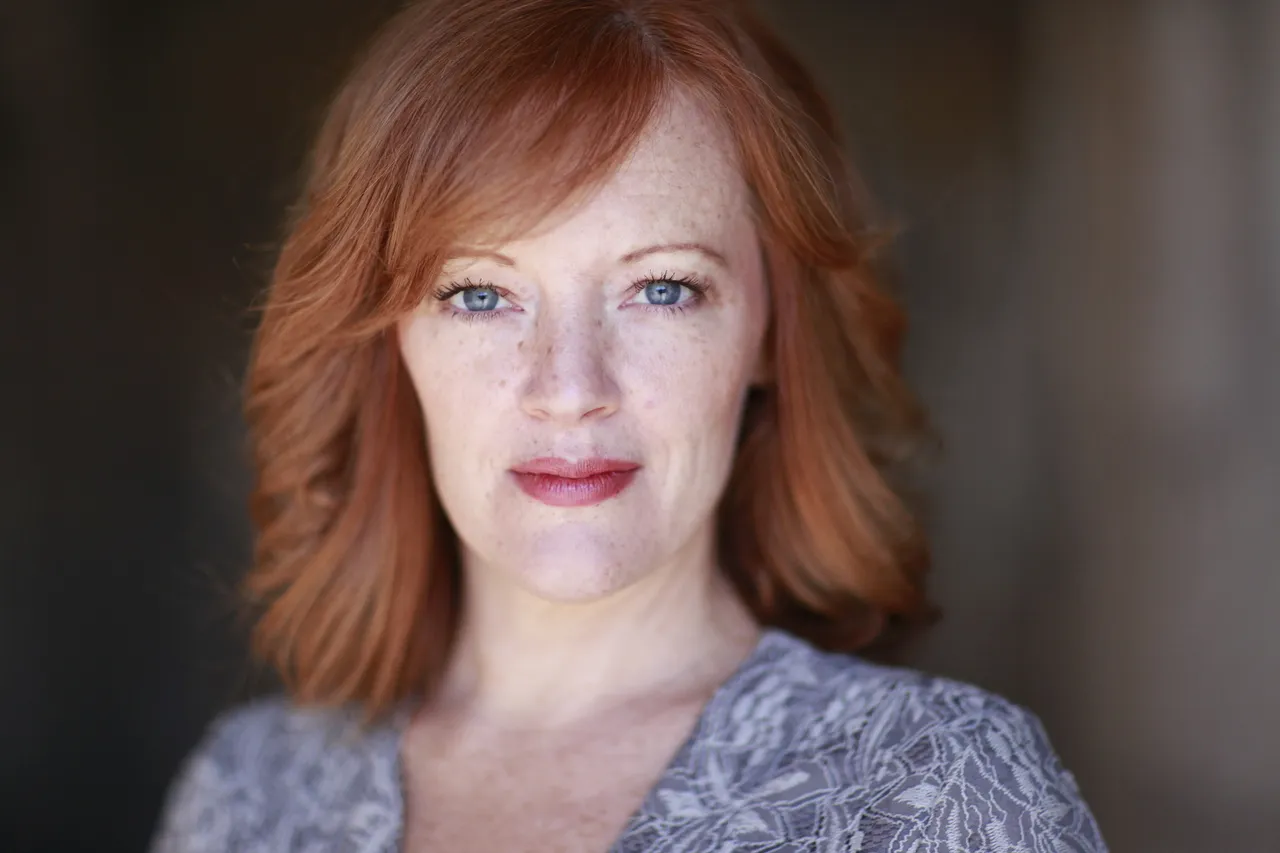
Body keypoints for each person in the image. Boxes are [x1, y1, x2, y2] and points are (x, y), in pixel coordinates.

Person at [150, 0, 1107, 850]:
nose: (569, 387)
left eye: (661, 288)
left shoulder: (938, 798)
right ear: (389, 340)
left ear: (773, 330)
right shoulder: (251, 796)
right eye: (481, 293)